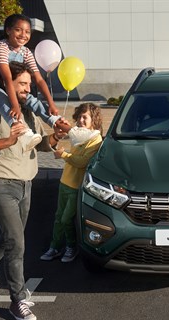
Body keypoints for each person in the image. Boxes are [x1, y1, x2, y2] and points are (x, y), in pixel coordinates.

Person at [0, 62, 67, 320]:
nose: (27, 88)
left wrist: (55, 137)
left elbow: (41, 144)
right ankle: (18, 300)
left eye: (28, 84)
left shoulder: (27, 112)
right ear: (6, 84)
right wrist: (8, 140)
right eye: (22, 84)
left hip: (26, 182)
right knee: (17, 243)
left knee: (12, 237)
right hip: (0, 182)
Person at [0, 13, 62, 151]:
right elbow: (7, 78)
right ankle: (22, 130)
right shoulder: (1, 47)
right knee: (2, 98)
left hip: (8, 88)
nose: (23, 35)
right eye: (18, 30)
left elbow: (39, 79)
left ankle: (54, 120)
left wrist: (51, 104)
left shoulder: (26, 52)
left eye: (27, 32)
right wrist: (15, 105)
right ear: (8, 30)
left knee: (30, 99)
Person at [40, 103, 104, 262]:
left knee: (66, 219)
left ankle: (71, 247)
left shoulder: (95, 139)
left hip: (77, 186)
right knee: (58, 217)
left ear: (94, 120)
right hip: (65, 181)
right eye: (79, 117)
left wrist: (64, 155)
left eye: (85, 117)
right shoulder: (78, 135)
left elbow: (82, 162)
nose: (81, 120)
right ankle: (54, 247)